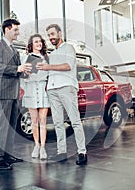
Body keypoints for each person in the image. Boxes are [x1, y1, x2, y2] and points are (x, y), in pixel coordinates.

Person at [36, 24, 87, 165]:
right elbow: (47, 71)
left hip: (66, 87)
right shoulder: (51, 55)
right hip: (52, 89)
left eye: (53, 34)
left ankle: (82, 152)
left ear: (60, 33)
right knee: (58, 123)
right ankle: (61, 152)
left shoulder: (68, 48)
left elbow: (68, 66)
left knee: (75, 121)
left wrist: (48, 66)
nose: (51, 37)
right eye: (49, 35)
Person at [0, 18, 32, 170]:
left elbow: (18, 72)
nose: (17, 33)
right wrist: (17, 69)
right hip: (3, 91)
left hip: (14, 92)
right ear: (7, 29)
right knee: (2, 126)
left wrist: (25, 71)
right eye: (15, 30)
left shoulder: (14, 50)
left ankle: (7, 155)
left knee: (11, 127)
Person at [21, 34, 50, 159]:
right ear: (31, 45)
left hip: (43, 90)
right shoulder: (25, 58)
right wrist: (26, 73)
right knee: (34, 121)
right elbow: (22, 77)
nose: (39, 43)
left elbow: (51, 75)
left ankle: (43, 147)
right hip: (31, 89)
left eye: (40, 41)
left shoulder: (47, 58)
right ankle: (36, 145)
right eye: (36, 42)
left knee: (43, 120)